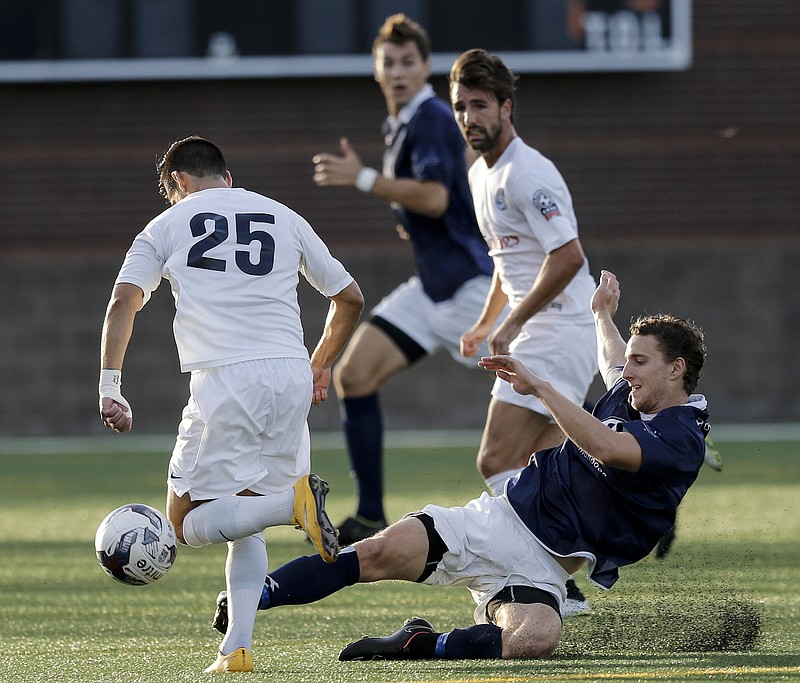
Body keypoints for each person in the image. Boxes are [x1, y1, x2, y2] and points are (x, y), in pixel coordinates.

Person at [211, 270, 711, 661]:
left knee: (535, 640)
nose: (628, 372)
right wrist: (602, 315)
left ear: (676, 370)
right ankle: (255, 594)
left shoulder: (681, 436)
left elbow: (605, 447)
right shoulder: (637, 393)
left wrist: (540, 386)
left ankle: (420, 645)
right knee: (376, 554)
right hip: (501, 520)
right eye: (631, 361)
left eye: (641, 363)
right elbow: (612, 361)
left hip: (546, 571)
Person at [98, 136, 364, 673]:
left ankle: (291, 506)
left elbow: (122, 303)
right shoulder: (281, 215)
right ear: (227, 174)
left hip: (225, 381)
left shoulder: (164, 226)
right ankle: (236, 648)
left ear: (175, 182)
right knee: (240, 517)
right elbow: (349, 298)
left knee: (184, 521)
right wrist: (318, 364)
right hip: (289, 374)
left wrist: (110, 385)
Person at [311, 14, 499, 545]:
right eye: (388, 62)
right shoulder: (401, 124)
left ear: (426, 68)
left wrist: (366, 179)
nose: (397, 71)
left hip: (469, 289)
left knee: (547, 402)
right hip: (433, 287)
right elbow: (433, 198)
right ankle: (370, 514)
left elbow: (436, 198)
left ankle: (634, 468)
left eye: (407, 62)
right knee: (355, 376)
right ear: (376, 69)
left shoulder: (434, 115)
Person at [449, 49, 598, 614]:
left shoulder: (528, 172)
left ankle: (564, 571)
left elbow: (566, 256)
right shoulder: (479, 173)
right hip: (545, 327)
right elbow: (508, 259)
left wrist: (512, 321)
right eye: (461, 107)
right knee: (546, 465)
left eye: (481, 105)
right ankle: (574, 561)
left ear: (507, 107)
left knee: (494, 459)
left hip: (558, 328)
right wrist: (489, 318)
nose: (470, 117)